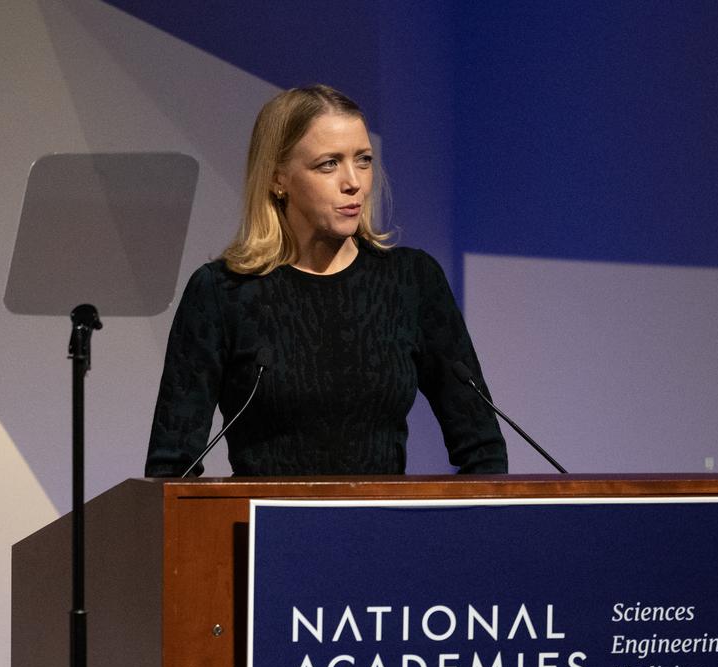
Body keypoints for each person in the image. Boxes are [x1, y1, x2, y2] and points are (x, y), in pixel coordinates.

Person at [144, 85, 508, 477]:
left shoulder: (412, 280)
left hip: (385, 533)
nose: (354, 182)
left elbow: (483, 448)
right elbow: (172, 468)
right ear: (277, 178)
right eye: (328, 164)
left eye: (363, 160)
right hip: (265, 534)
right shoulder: (223, 291)